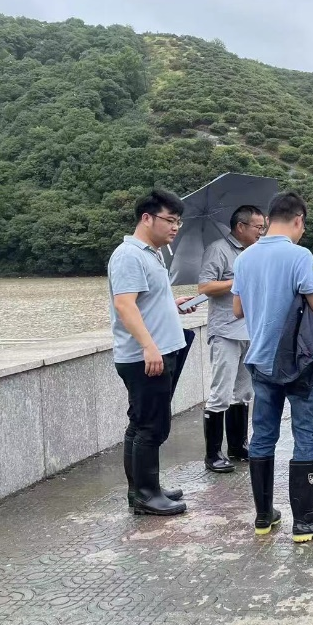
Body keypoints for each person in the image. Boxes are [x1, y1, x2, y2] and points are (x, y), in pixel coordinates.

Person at [231, 192, 313, 543]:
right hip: (299, 362)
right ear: (298, 220)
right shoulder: (299, 255)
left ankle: (264, 516)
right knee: (306, 433)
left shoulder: (245, 257)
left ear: (269, 219)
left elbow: (237, 310)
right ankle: (306, 519)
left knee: (263, 435)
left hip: (260, 360)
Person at [108, 189, 198, 516]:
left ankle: (144, 489)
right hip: (145, 356)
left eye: (178, 221)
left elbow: (143, 300)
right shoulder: (129, 255)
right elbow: (124, 305)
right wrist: (149, 346)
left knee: (141, 424)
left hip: (158, 351)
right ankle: (146, 496)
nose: (175, 227)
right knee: (151, 427)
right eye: (169, 220)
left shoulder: (152, 254)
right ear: (147, 218)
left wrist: (170, 304)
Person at [197, 205, 266, 473]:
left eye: (263, 228)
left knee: (243, 392)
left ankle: (238, 446)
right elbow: (205, 287)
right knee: (221, 392)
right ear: (240, 227)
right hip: (225, 331)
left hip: (250, 330)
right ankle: (213, 454)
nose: (261, 232)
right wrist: (238, 279)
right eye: (257, 227)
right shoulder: (218, 250)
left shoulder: (256, 252)